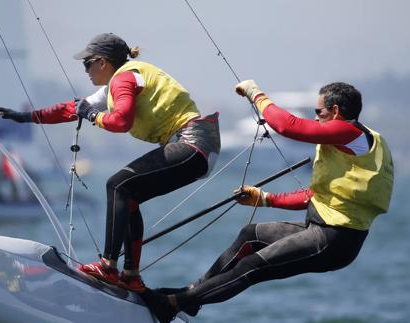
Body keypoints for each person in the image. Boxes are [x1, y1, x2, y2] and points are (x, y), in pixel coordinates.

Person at [144, 81, 394, 322]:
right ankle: (193, 294)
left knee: (252, 266)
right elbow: (316, 196)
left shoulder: (348, 133)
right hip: (320, 229)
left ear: (336, 111)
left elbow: (289, 127)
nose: (316, 118)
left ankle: (172, 305)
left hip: (335, 240)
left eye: (319, 112)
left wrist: (256, 94)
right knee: (250, 234)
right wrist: (265, 199)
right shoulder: (349, 144)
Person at [0, 33, 221, 293]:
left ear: (102, 62)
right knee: (129, 195)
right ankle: (131, 276)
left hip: (192, 143)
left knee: (117, 185)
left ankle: (108, 267)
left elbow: (121, 121)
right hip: (199, 148)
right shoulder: (121, 81)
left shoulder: (124, 79)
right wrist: (26, 117)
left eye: (86, 64)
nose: (85, 70)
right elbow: (72, 108)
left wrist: (93, 116)